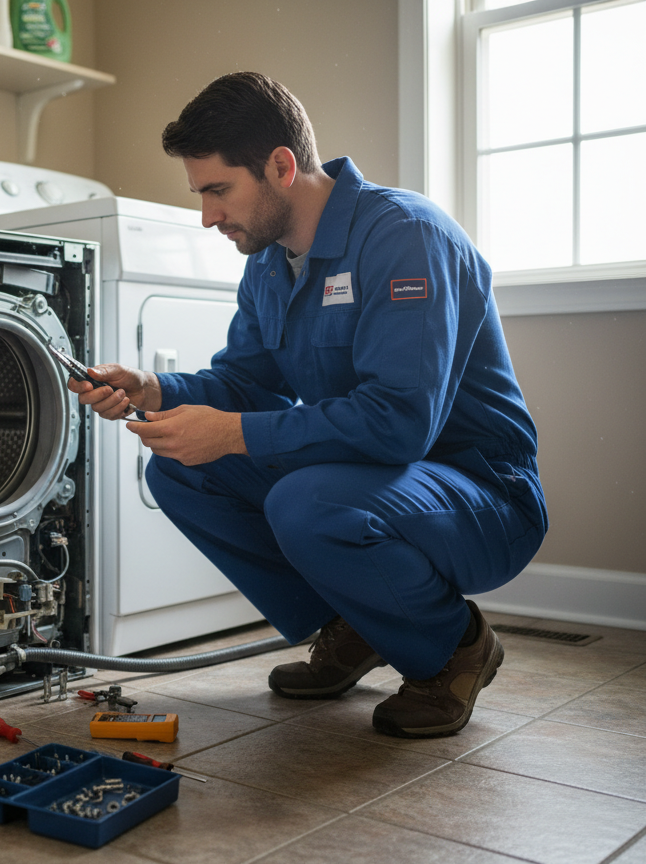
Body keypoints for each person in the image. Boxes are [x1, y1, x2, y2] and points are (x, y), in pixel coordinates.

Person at [69, 72, 548, 739]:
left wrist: (234, 433)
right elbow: (247, 386)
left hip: (483, 496)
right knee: (180, 469)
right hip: (377, 479)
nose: (207, 215)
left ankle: (454, 647)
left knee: (308, 504)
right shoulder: (269, 264)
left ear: (281, 166)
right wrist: (151, 390)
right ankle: (354, 626)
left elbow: (399, 422)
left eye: (217, 190)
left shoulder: (405, 236)